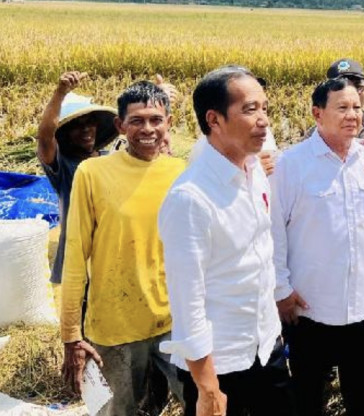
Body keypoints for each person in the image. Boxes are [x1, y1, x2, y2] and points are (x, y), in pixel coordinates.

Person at [159, 65, 295, 416]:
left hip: (266, 349)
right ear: (214, 120)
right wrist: (208, 389)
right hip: (221, 365)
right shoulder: (191, 198)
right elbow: (188, 302)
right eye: (250, 109)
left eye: (265, 108)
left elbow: (260, 260)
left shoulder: (255, 175)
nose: (263, 119)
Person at [271, 78, 364, 416]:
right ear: (318, 113)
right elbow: (273, 232)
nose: (352, 115)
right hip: (311, 308)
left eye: (357, 107)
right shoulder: (292, 164)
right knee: (309, 398)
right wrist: (281, 288)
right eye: (342, 108)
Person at [60, 81, 186, 415]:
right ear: (120, 126)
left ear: (169, 124)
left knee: (201, 402)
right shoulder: (93, 173)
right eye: (137, 121)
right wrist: (71, 333)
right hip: (115, 326)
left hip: (174, 320)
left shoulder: (181, 172)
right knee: (118, 410)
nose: (148, 129)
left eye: (156, 120)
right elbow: (75, 255)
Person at [36, 71, 118, 289]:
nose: (85, 130)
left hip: (112, 250)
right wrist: (60, 93)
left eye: (89, 123)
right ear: (64, 134)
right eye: (77, 125)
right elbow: (45, 137)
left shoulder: (110, 159)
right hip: (79, 253)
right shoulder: (63, 166)